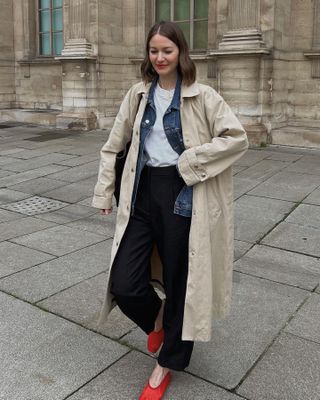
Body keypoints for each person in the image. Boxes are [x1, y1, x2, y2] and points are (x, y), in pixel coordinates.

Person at [92, 20, 248, 400]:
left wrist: (192, 161)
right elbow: (115, 145)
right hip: (142, 192)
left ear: (181, 53)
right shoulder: (138, 94)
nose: (159, 57)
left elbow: (236, 138)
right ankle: (157, 319)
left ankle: (167, 363)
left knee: (182, 282)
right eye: (153, 50)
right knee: (125, 283)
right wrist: (105, 192)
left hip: (183, 194)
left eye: (167, 50)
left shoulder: (204, 96)